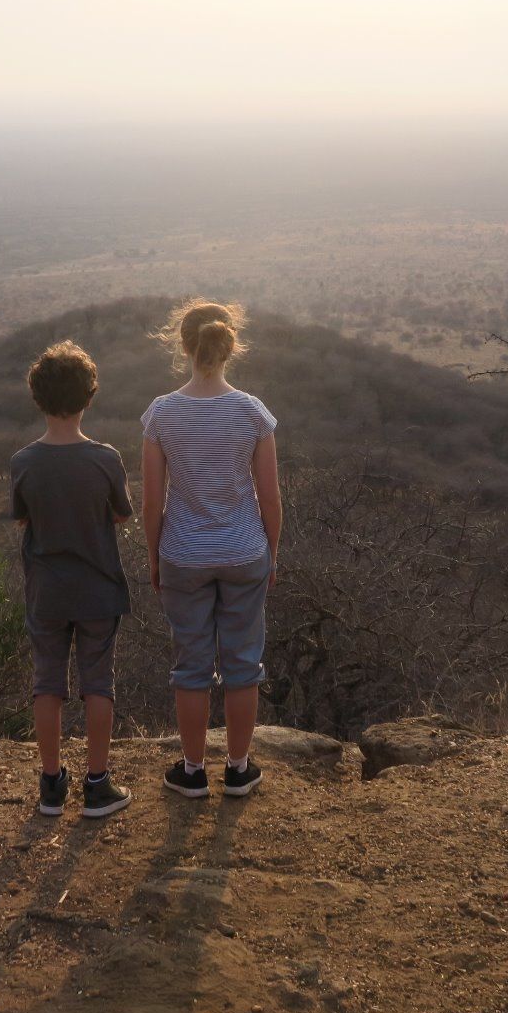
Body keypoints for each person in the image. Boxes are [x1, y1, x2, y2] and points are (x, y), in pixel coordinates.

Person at [140, 299, 281, 799]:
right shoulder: (252, 412)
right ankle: (239, 769)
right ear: (229, 345)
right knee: (244, 663)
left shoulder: (161, 414)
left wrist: (154, 557)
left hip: (183, 552)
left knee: (191, 665)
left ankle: (193, 770)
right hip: (245, 550)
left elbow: (152, 500)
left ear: (183, 346)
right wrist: (272, 552)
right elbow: (270, 496)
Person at [10, 340, 134, 818]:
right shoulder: (105, 459)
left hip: (47, 590)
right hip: (99, 586)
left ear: (38, 398)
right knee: (98, 683)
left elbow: (23, 519)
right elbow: (122, 515)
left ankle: (50, 785)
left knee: (48, 683)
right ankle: (98, 785)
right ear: (89, 396)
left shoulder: (23, 462)